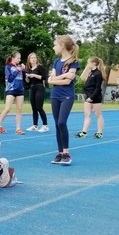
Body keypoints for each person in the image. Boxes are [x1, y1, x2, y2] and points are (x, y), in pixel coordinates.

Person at [47, 35, 80, 165]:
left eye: (55, 45)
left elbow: (68, 82)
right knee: (56, 124)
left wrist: (57, 79)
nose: (53, 47)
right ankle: (60, 153)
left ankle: (66, 153)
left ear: (62, 46)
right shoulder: (56, 61)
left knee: (61, 122)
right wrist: (64, 76)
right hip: (55, 95)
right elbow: (50, 80)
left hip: (67, 96)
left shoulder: (74, 61)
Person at [0, 51, 26, 135]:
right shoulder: (8, 67)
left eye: (20, 58)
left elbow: (23, 78)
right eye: (18, 58)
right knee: (7, 109)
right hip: (11, 90)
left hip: (20, 90)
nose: (19, 60)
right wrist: (17, 70)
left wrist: (23, 70)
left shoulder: (19, 66)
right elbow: (9, 79)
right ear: (13, 58)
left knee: (19, 109)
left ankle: (18, 128)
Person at [76, 57, 106, 139]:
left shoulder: (98, 74)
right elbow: (82, 80)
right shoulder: (90, 72)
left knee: (98, 114)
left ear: (94, 63)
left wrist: (92, 97)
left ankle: (99, 132)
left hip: (95, 97)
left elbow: (98, 88)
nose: (87, 64)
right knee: (87, 114)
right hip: (88, 96)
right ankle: (84, 132)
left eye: (88, 63)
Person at [25, 52, 49, 132]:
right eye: (31, 58)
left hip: (39, 87)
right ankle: (35, 126)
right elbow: (28, 82)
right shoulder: (28, 69)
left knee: (39, 107)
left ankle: (45, 125)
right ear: (29, 60)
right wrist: (27, 78)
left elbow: (44, 77)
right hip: (32, 88)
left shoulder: (40, 67)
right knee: (34, 108)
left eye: (34, 57)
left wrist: (34, 75)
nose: (33, 59)